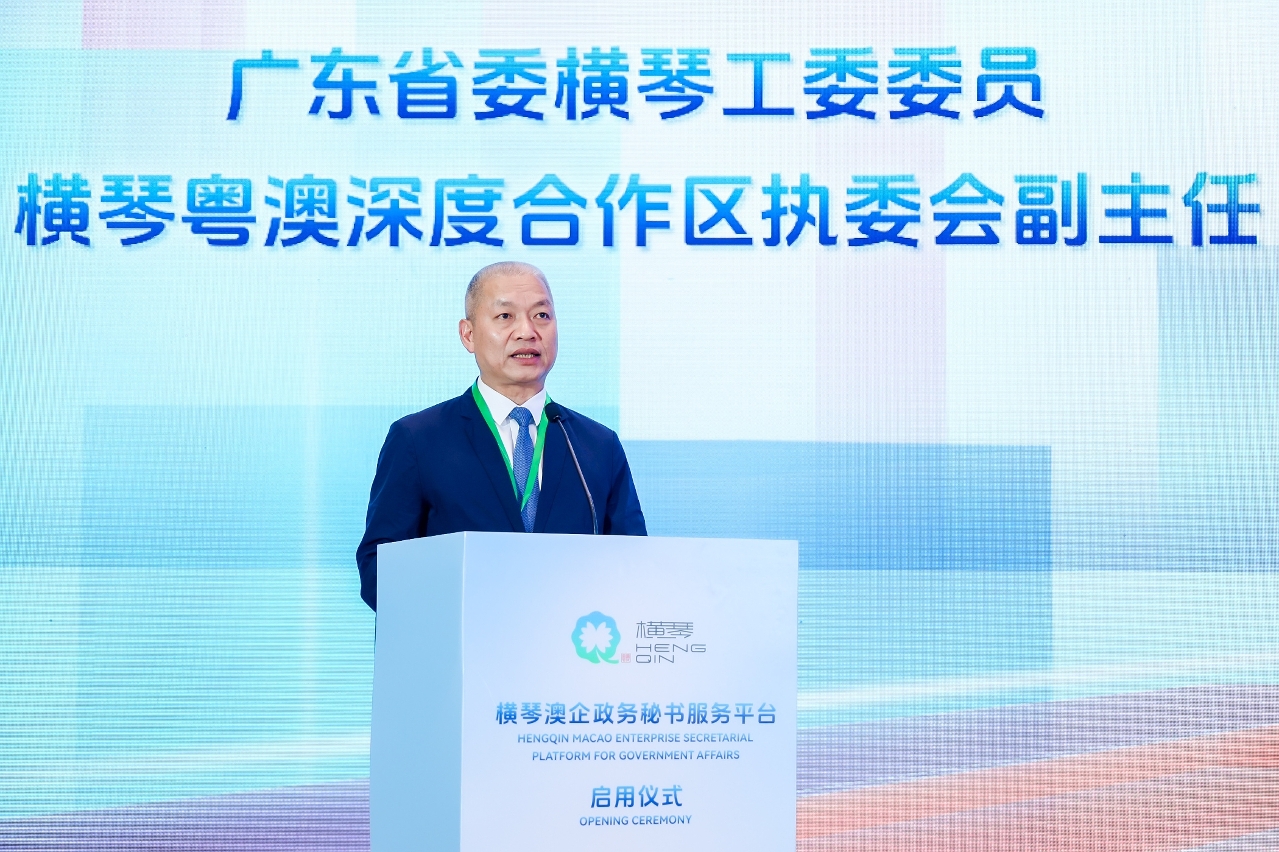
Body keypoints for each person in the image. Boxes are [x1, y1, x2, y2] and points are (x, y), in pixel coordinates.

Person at [355, 261, 647, 610]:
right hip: (461, 639)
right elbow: (379, 570)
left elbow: (636, 567)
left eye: (541, 316)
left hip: (570, 640)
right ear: (468, 335)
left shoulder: (596, 445)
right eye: (505, 316)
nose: (527, 331)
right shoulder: (418, 439)